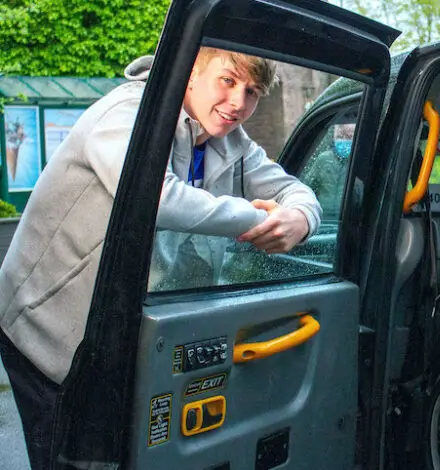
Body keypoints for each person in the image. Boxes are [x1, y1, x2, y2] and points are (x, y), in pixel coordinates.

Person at [0, 47, 321, 469]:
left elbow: (295, 191)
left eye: (253, 92)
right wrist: (251, 219)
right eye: (228, 80)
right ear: (191, 72)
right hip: (51, 326)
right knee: (77, 458)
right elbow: (153, 194)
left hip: (131, 325)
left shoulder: (231, 142)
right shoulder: (127, 111)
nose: (239, 103)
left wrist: (299, 219)